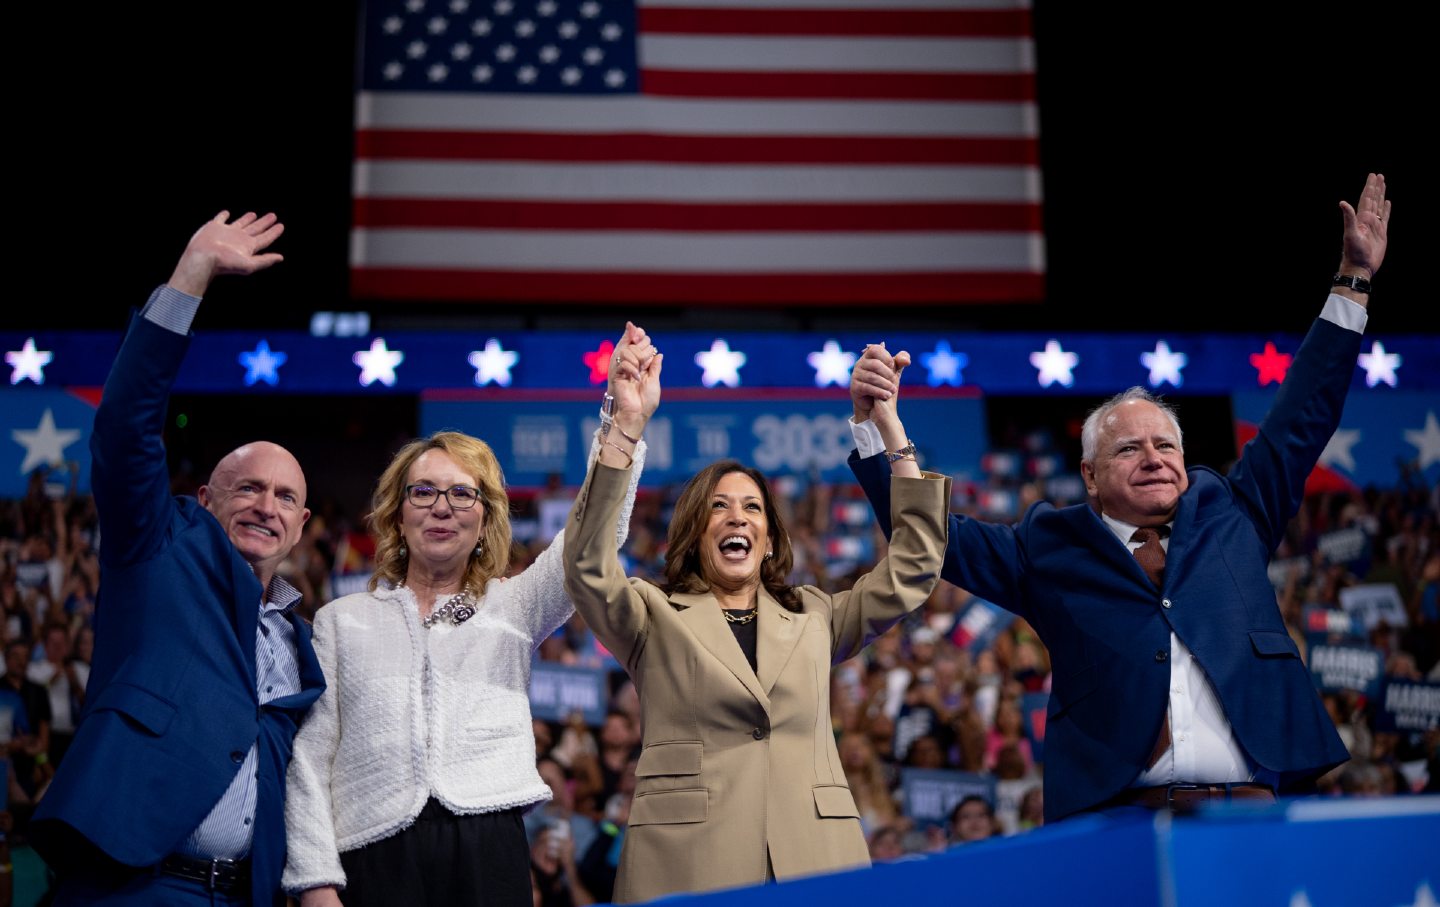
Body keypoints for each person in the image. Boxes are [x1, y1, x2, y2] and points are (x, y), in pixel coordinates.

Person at [848, 174, 1392, 821]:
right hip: (1118, 821)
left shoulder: (1235, 512)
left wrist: (1352, 283)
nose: (1155, 456)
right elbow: (929, 535)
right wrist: (878, 427)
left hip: (1251, 814)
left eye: (1166, 445)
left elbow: (1303, 415)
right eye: (1129, 448)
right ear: (1089, 475)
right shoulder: (1046, 545)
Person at [562, 339, 951, 902]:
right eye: (717, 506)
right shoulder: (652, 614)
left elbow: (915, 568)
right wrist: (624, 426)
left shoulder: (815, 615)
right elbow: (585, 566)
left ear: (769, 539)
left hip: (815, 859)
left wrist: (887, 428)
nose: (736, 516)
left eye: (751, 507)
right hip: (689, 863)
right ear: (695, 536)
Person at [282, 326, 653, 907]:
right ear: (396, 513)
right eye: (423, 492)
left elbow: (591, 540)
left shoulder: (516, 604)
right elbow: (309, 761)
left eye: (461, 494)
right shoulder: (339, 620)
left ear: (486, 519)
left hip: (488, 852)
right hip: (371, 855)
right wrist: (315, 881)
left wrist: (622, 424)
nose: (441, 508)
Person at [31, 212, 326, 905]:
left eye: (285, 496)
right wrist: (191, 273)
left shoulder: (301, 639)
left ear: (303, 524)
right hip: (130, 883)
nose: (266, 505)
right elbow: (125, 424)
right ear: (203, 498)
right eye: (247, 487)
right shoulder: (158, 545)